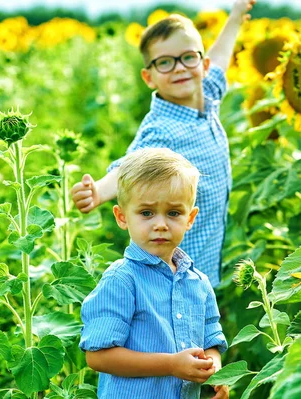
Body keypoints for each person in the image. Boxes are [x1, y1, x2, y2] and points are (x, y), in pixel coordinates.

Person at [71, 0, 256, 287]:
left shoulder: (208, 94)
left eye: (188, 58)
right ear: (149, 77)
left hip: (204, 256)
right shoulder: (163, 129)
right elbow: (129, 166)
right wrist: (98, 191)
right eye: (165, 62)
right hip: (172, 270)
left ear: (202, 64)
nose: (180, 68)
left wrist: (234, 18)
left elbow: (220, 58)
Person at [80, 148, 229, 399]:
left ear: (190, 218)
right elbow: (98, 357)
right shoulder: (122, 280)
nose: (160, 223)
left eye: (173, 213)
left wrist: (216, 371)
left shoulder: (198, 283)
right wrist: (171, 364)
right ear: (122, 217)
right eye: (147, 213)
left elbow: (210, 340)